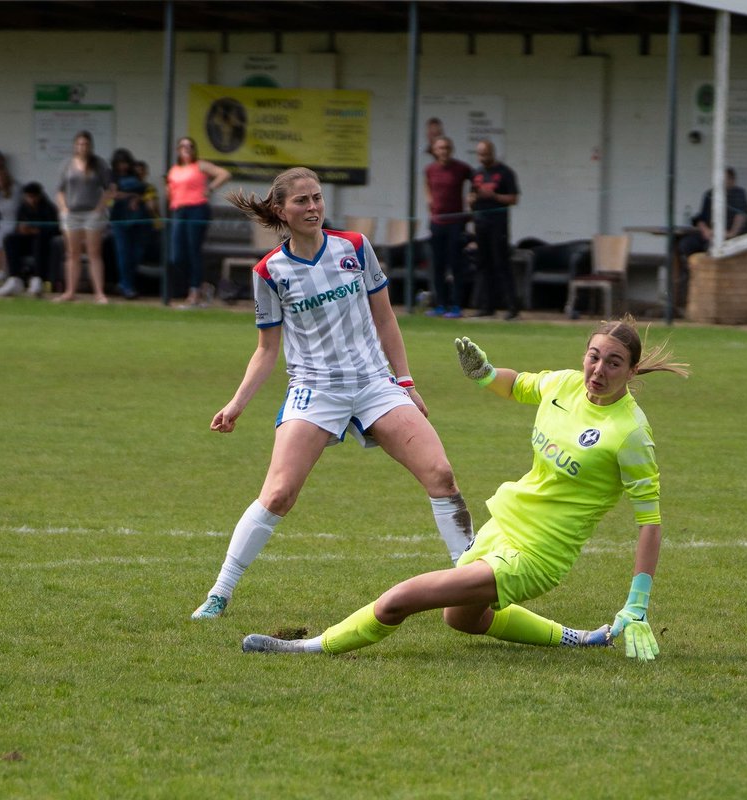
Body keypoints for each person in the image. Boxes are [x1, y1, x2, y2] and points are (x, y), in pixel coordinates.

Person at [241, 317, 688, 662]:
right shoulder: (564, 384)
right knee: (462, 619)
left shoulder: (631, 433)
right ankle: (586, 637)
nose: (598, 370)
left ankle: (306, 648)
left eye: (613, 363)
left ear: (631, 371)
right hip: (502, 529)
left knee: (401, 599)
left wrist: (637, 603)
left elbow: (649, 523)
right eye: (593, 356)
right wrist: (485, 372)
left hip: (537, 555)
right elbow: (517, 386)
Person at [190, 167, 475, 620]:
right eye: (301, 201)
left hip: (373, 385)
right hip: (314, 391)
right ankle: (220, 593)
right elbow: (267, 350)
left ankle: (472, 580)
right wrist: (236, 404)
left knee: (440, 474)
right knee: (279, 493)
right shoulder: (269, 271)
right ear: (282, 210)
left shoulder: (355, 248)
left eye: (317, 198)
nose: (313, 207)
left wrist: (405, 383)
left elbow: (385, 320)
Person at [167, 136, 230, 309]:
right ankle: (202, 286)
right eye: (183, 146)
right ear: (178, 150)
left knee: (193, 250)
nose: (186, 148)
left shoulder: (200, 165)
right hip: (179, 211)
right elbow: (171, 191)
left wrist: (209, 189)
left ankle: (194, 293)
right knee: (177, 256)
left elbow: (224, 174)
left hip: (197, 209)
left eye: (190, 146)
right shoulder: (174, 169)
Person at [677, 168, 747, 314]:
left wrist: (730, 233)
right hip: (710, 236)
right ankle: (688, 274)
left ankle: (708, 283)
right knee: (684, 244)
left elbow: (741, 216)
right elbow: (700, 218)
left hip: (729, 239)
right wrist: (705, 229)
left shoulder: (738, 194)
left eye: (725, 179)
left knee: (710, 249)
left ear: (732, 180)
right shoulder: (710, 195)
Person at [55, 130, 114, 303]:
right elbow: (59, 190)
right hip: (72, 213)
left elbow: (110, 189)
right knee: (72, 253)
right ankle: (70, 291)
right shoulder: (67, 165)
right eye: (79, 144)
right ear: (75, 146)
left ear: (91, 146)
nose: (82, 147)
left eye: (86, 144)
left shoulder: (99, 165)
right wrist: (64, 208)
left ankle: (99, 293)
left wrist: (99, 208)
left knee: (94, 252)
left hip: (91, 213)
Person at [468, 139, 521, 320]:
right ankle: (486, 306)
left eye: (486, 153)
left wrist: (493, 196)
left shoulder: (505, 173)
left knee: (502, 265)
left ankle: (512, 308)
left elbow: (514, 199)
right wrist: (472, 200)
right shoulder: (476, 174)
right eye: (480, 154)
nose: (483, 157)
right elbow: (473, 196)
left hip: (498, 227)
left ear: (493, 152)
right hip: (480, 225)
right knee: (483, 266)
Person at [423, 135, 473, 319]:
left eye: (446, 148)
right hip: (437, 222)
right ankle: (440, 304)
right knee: (437, 265)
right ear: (434, 151)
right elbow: (427, 187)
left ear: (450, 149)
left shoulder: (461, 168)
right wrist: (429, 200)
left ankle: (456, 305)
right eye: (439, 148)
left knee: (456, 265)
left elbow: (476, 181)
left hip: (455, 222)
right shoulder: (430, 170)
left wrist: (472, 199)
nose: (443, 151)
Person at [0, 182, 59, 297]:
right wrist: (22, 229)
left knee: (39, 240)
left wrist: (36, 230)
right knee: (10, 239)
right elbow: (18, 224)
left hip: (43, 241)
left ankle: (37, 279)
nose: (31, 200)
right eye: (28, 197)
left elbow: (55, 229)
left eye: (33, 197)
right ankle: (15, 278)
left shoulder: (48, 208)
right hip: (26, 240)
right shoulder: (23, 207)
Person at [108, 148, 149, 299]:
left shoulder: (135, 175)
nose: (123, 166)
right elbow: (113, 195)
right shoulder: (112, 177)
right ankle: (127, 286)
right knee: (123, 253)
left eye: (125, 163)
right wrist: (132, 195)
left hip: (138, 218)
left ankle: (125, 283)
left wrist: (137, 198)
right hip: (120, 218)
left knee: (137, 253)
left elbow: (144, 192)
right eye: (119, 163)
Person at [0, 151, 18, 282]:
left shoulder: (15, 188)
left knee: (3, 237)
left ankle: (3, 271)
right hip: (2, 222)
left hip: (11, 222)